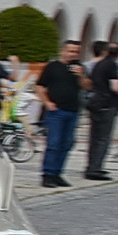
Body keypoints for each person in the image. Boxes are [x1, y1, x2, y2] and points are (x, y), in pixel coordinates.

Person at [34, 39, 84, 188]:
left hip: (73, 110)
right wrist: (47, 103)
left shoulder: (78, 68)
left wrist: (81, 76)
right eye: (70, 51)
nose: (72, 54)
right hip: (56, 111)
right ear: (63, 50)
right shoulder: (52, 67)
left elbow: (87, 86)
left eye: (76, 52)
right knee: (54, 143)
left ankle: (57, 173)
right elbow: (39, 86)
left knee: (67, 143)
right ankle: (48, 174)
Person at [83, 40, 118, 180]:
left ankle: (91, 166)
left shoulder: (98, 64)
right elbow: (115, 87)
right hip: (107, 104)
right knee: (103, 138)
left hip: (95, 102)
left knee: (94, 137)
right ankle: (95, 168)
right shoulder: (112, 65)